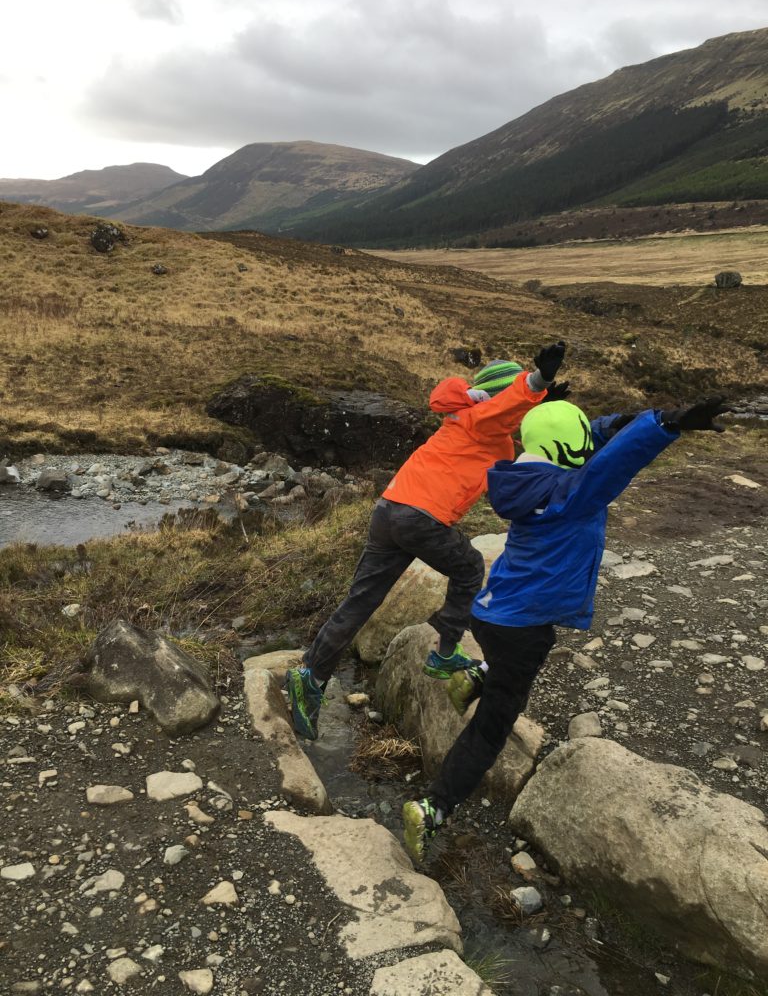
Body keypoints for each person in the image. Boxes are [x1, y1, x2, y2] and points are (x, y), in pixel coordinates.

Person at [402, 395, 731, 860]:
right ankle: (433, 807)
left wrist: (616, 421)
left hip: (496, 612)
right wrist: (661, 424)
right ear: (566, 450)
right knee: (493, 726)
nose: (586, 449)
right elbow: (611, 465)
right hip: (520, 625)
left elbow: (577, 438)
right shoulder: (572, 495)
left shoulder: (529, 477)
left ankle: (478, 673)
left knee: (531, 649)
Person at [285, 341, 569, 740]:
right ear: (497, 397)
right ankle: (444, 654)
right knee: (470, 567)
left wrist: (543, 407)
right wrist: (539, 381)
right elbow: (488, 400)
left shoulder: (485, 433)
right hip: (420, 517)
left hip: (390, 510)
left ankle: (309, 677)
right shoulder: (478, 419)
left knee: (360, 602)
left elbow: (511, 455)